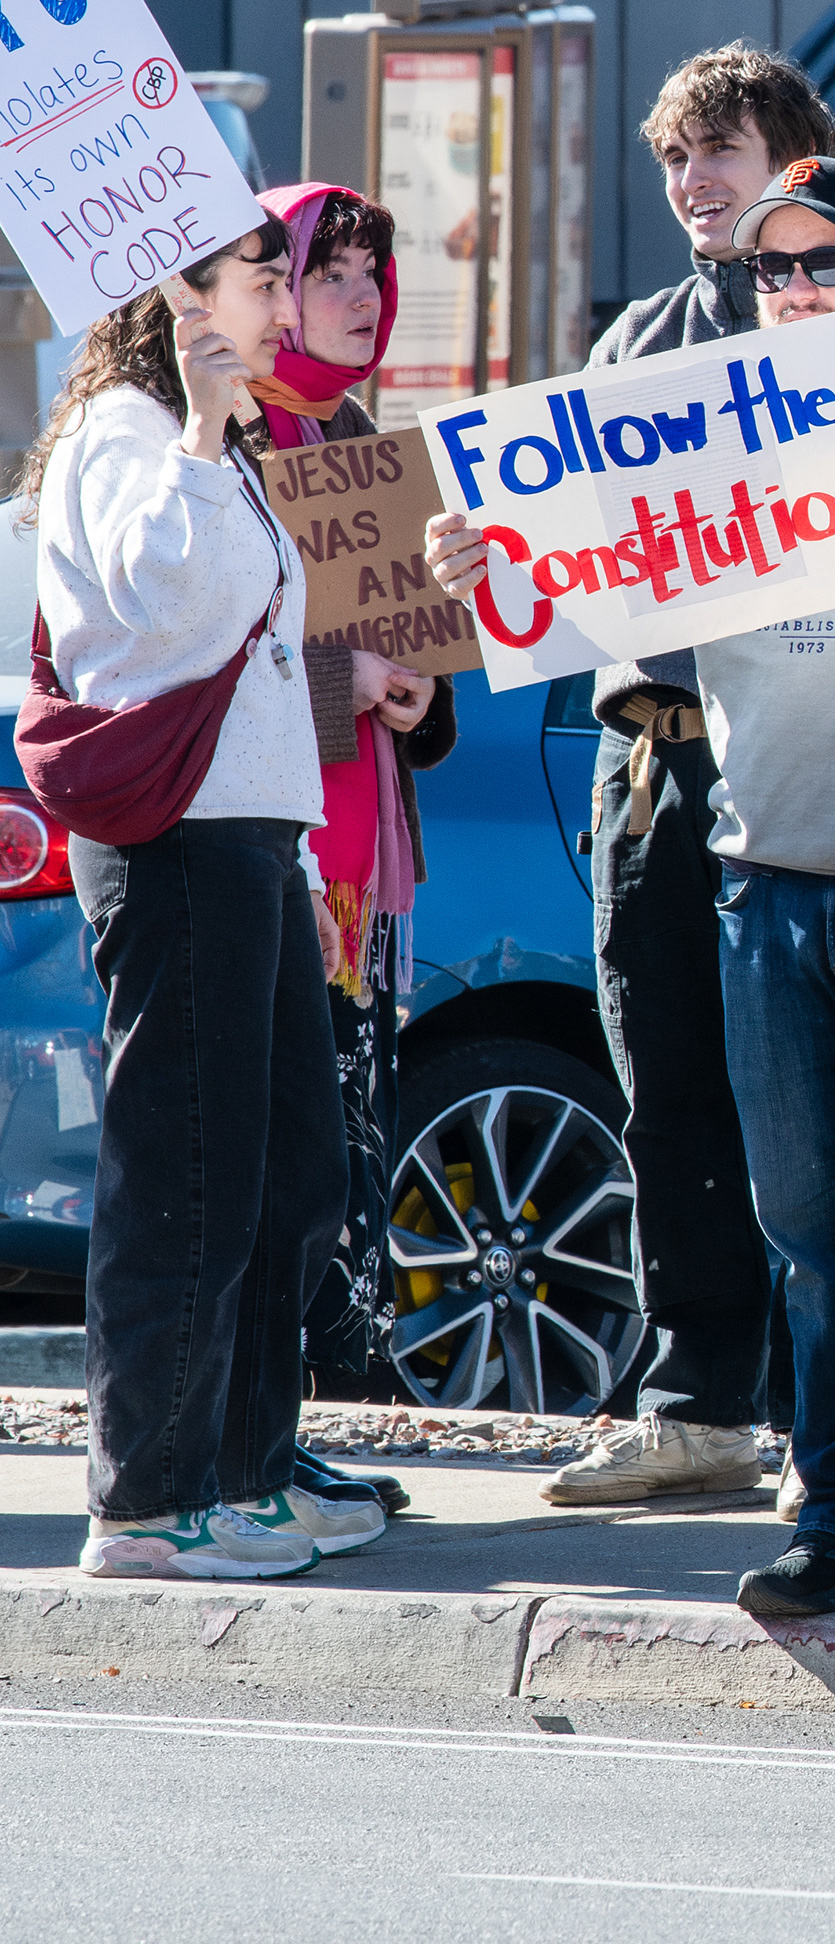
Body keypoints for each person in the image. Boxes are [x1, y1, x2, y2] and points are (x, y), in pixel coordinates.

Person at [431, 156, 835, 1615]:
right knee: (806, 1231)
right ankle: (830, 1517)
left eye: (826, 265)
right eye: (772, 272)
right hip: (763, 884)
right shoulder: (696, 447)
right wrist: (480, 567)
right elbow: (563, 596)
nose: (792, 291)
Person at [543, 47, 835, 1514]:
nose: (696, 180)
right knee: (672, 1089)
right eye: (675, 158)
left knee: (821, 1120)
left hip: (819, 770)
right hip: (656, 768)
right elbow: (559, 552)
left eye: (723, 149)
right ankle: (698, 1405)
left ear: (798, 162)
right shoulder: (630, 344)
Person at [43, 218, 383, 1577]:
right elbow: (161, 596)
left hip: (246, 840)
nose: (283, 304)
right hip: (178, 842)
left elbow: (248, 667)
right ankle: (148, 1500)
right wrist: (196, 434)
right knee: (186, 1174)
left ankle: (241, 1468)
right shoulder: (129, 433)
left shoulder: (210, 438)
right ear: (183, 302)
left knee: (284, 1167)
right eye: (261, 283)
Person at [247, 185, 455, 1507]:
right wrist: (353, 682)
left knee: (333, 1147)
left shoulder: (360, 432)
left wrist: (422, 680)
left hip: (361, 870)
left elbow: (414, 682)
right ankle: (251, 1437)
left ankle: (283, 1425)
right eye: (335, 269)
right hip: (274, 849)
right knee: (279, 1149)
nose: (363, 292)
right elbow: (213, 656)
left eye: (377, 269)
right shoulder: (232, 437)